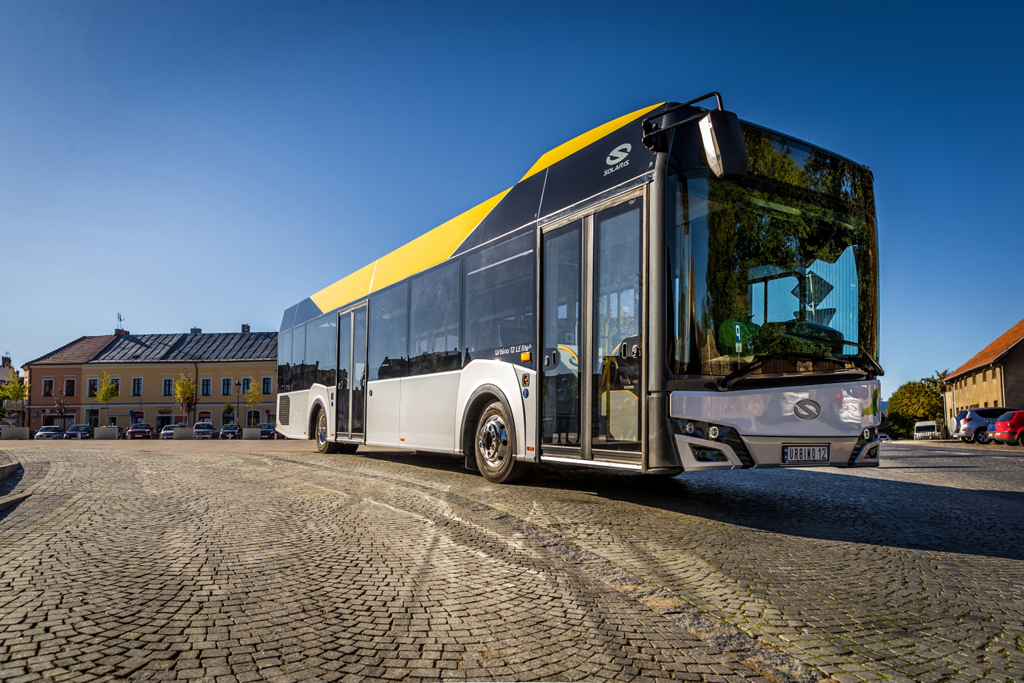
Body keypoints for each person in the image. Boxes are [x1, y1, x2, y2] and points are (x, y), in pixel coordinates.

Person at [717, 290, 760, 356]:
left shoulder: (754, 327)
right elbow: (735, 348)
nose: (748, 305)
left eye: (748, 302)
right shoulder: (726, 326)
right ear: (735, 306)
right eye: (743, 302)